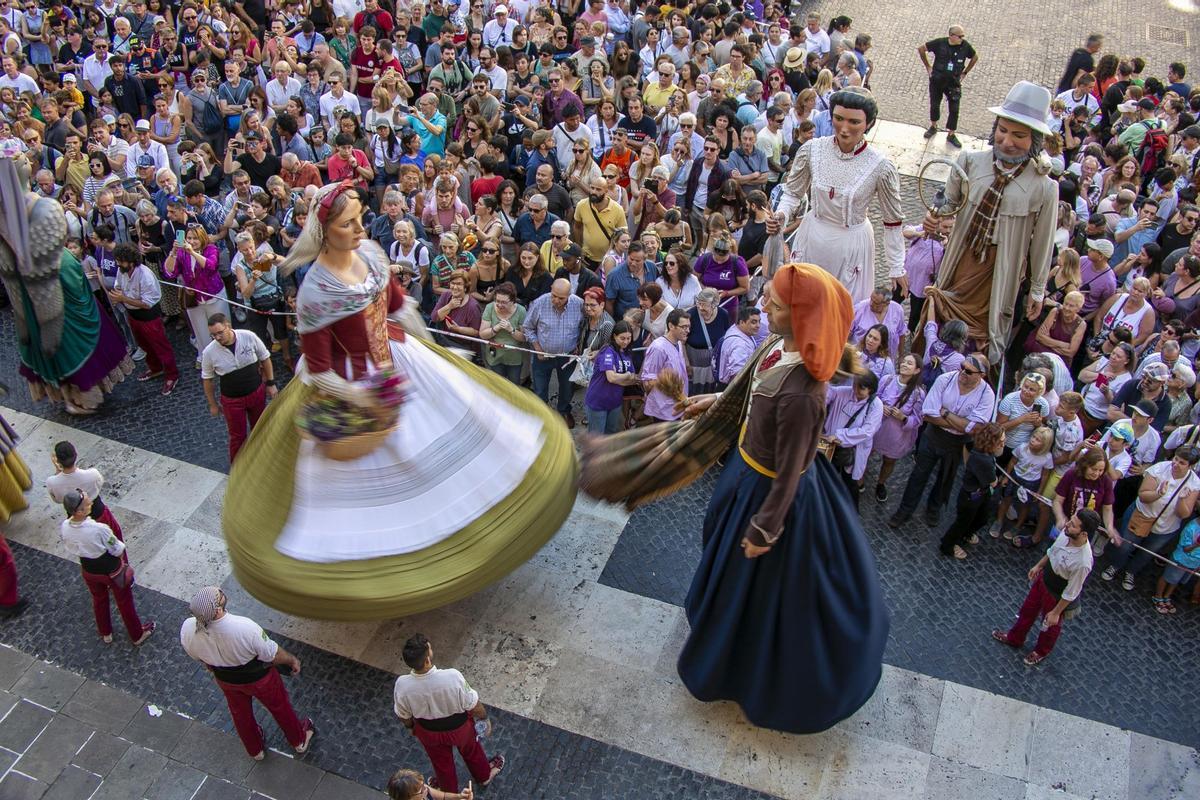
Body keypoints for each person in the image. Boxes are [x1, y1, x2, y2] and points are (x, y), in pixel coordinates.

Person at [222, 182, 577, 620]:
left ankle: (462, 541)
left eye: (358, 219)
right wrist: (363, 398)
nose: (357, 228)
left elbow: (399, 306)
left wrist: (436, 353)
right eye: (346, 224)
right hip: (351, 382)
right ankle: (393, 569)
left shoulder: (371, 254)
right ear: (323, 230)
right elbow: (318, 368)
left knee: (469, 437)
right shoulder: (315, 290)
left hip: (401, 357)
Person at [580, 262, 889, 734]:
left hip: (766, 495)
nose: (763, 305)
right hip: (744, 474)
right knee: (727, 567)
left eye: (777, 305)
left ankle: (742, 667)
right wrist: (717, 400)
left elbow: (789, 474)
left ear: (803, 316)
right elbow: (751, 393)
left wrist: (766, 527)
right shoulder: (774, 345)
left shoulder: (806, 393)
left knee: (758, 593)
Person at [918, 81, 1058, 370]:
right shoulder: (971, 162)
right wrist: (935, 217)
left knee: (988, 328)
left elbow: (1042, 243)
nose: (1008, 141)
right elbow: (948, 204)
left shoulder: (1045, 187)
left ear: (1035, 140)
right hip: (961, 260)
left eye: (1019, 135)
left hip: (999, 270)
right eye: (1002, 131)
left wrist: (1037, 289)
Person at [0, 161, 133, 415]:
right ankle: (79, 396)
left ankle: (70, 394)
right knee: (68, 340)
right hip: (54, 278)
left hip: (32, 285)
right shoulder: (44, 207)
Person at [774, 89, 904, 302]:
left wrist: (896, 267)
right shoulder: (812, 150)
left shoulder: (880, 166)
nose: (844, 129)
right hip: (813, 237)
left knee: (841, 308)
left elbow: (892, 222)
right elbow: (792, 193)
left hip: (851, 244)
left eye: (854, 122)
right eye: (838, 118)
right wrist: (782, 214)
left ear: (869, 124)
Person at [180, 586, 315, 761]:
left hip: (225, 680)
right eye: (218, 594)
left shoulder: (187, 629)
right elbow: (271, 654)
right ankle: (299, 739)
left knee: (240, 713)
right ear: (218, 609)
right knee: (280, 707)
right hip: (260, 679)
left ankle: (255, 750)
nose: (220, 591)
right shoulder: (245, 627)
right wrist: (291, 660)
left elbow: (196, 655)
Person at [889, 354, 995, 527]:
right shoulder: (945, 379)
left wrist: (945, 412)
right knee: (919, 474)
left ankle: (934, 508)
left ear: (981, 375)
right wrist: (962, 422)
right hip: (933, 435)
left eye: (968, 371)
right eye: (962, 367)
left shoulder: (987, 395)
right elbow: (929, 414)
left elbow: (975, 428)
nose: (962, 372)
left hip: (957, 443)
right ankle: (905, 510)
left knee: (946, 478)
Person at [393, 634, 505, 794]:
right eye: (430, 649)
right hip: (459, 728)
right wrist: (484, 718)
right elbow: (473, 704)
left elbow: (403, 714)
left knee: (441, 763)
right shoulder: (452, 676)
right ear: (427, 660)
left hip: (428, 732)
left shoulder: (402, 685)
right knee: (472, 750)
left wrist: (411, 728)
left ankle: (448, 793)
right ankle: (484, 776)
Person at [992, 508, 1099, 666]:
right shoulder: (1067, 532)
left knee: (1049, 625)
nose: (1068, 524)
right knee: (1028, 610)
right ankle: (1015, 638)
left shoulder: (1083, 562)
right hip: (1044, 580)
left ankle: (1041, 651)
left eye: (1074, 525)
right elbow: (1052, 552)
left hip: (1056, 594)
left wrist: (1056, 612)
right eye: (1071, 520)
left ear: (1084, 534)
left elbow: (1072, 591)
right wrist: (1038, 566)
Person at [59, 489, 154, 646]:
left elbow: (71, 547)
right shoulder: (99, 529)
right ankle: (137, 635)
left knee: (99, 599)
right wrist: (121, 561)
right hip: (111, 570)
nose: (90, 502)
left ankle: (106, 632)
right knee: (124, 602)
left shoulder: (65, 526)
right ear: (80, 511)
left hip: (88, 570)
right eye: (86, 502)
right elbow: (117, 548)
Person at [1101, 447, 1200, 591]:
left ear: (1190, 466)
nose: (1176, 464)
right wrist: (1158, 493)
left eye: (1182, 462)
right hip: (1142, 516)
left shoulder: (1194, 483)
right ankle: (1115, 565)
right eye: (1176, 459)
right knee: (1125, 546)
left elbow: (1184, 514)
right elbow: (1143, 495)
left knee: (1146, 552)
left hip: (1166, 527)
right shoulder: (1159, 469)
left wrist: (1182, 501)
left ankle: (1131, 572)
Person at [201, 314, 277, 464]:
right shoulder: (209, 352)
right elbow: (207, 380)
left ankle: (263, 459)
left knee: (260, 427)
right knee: (237, 436)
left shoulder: (248, 336)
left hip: (256, 392)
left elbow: (265, 358)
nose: (217, 337)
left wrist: (271, 383)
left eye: (220, 332)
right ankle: (238, 466)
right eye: (213, 335)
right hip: (232, 400)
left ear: (228, 326)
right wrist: (213, 404)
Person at [108, 242, 179, 395]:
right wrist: (117, 296)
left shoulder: (145, 275)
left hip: (149, 318)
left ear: (131, 260)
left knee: (161, 347)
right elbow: (118, 286)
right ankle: (156, 368)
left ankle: (172, 375)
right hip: (133, 316)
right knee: (145, 345)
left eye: (121, 260)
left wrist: (123, 299)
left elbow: (147, 304)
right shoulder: (122, 271)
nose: (118, 263)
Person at [523, 277, 584, 427]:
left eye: (561, 298)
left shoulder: (579, 304)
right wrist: (537, 348)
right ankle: (542, 414)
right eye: (554, 295)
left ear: (569, 295)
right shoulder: (540, 303)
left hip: (567, 356)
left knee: (567, 387)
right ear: (551, 289)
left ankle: (563, 410)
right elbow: (527, 327)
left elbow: (584, 326)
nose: (556, 300)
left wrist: (579, 344)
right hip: (543, 355)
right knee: (540, 387)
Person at [939, 422, 1005, 559]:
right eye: (1001, 442)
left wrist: (967, 463)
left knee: (982, 518)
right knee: (963, 522)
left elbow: (967, 447)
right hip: (971, 496)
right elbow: (993, 482)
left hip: (980, 493)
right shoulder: (984, 460)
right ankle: (948, 545)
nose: (1003, 445)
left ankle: (966, 534)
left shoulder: (980, 450)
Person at [871, 354, 926, 502]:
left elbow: (918, 419)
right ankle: (858, 479)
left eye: (910, 363)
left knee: (889, 460)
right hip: (877, 428)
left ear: (916, 370)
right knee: (867, 452)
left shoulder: (918, 394)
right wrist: (881, 406)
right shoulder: (887, 380)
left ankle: (881, 483)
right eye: (904, 361)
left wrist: (904, 418)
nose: (904, 364)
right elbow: (873, 397)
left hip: (897, 435)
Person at [823, 371, 884, 505]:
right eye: (855, 385)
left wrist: (839, 436)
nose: (855, 390)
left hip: (853, 452)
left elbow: (867, 431)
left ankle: (851, 514)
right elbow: (826, 394)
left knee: (850, 483)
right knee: (828, 477)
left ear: (871, 390)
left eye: (861, 388)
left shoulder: (876, 406)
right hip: (831, 447)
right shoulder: (843, 392)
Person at [45, 441, 124, 540]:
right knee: (113, 538)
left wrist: (58, 472)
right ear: (75, 455)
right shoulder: (92, 474)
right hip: (98, 513)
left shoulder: (52, 482)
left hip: (75, 520)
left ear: (58, 461)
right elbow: (99, 484)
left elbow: (57, 500)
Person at [918, 26, 978, 148]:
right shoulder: (940, 43)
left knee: (954, 109)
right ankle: (933, 126)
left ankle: (951, 134)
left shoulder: (965, 46)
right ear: (952, 35)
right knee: (935, 104)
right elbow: (921, 49)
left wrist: (965, 72)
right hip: (937, 80)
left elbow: (975, 57)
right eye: (960, 36)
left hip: (953, 83)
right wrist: (928, 67)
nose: (962, 38)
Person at [585, 320, 639, 434]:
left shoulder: (627, 352)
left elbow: (631, 380)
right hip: (598, 401)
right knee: (596, 439)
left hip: (615, 402)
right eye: (622, 338)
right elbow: (611, 378)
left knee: (610, 435)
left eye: (629, 338)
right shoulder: (608, 351)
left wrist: (622, 377)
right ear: (614, 336)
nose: (626, 342)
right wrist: (626, 376)